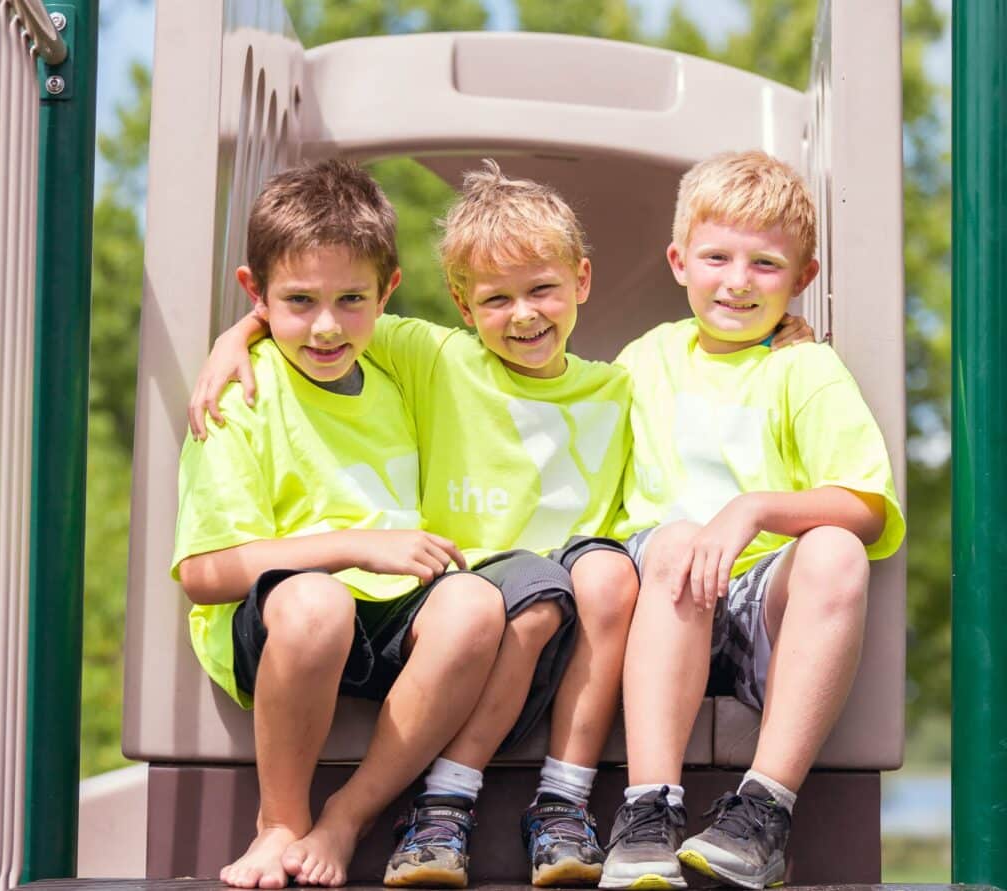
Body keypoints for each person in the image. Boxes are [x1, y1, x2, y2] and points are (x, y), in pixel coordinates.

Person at [191, 160, 814, 888]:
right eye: (497, 299)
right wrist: (238, 335)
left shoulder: (623, 383)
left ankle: (563, 798)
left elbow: (707, 360)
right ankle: (435, 804)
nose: (524, 314)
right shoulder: (433, 356)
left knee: (596, 574)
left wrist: (782, 336)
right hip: (471, 593)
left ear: (581, 282)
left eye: (543, 290)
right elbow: (328, 307)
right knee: (504, 595)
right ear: (462, 303)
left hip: (565, 609)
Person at [173, 160, 571, 890]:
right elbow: (202, 576)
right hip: (286, 624)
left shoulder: (396, 367)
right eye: (299, 302)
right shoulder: (241, 397)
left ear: (386, 293)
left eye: (350, 299)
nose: (326, 326)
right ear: (256, 294)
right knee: (318, 600)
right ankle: (280, 822)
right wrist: (356, 546)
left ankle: (348, 816)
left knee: (476, 600)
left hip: (388, 616)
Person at [599, 150, 905, 891]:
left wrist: (755, 507)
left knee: (834, 548)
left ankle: (761, 811)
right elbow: (514, 375)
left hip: (757, 608)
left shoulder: (804, 369)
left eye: (766, 264)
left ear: (802, 278)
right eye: (717, 256)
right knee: (673, 541)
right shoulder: (643, 362)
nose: (737, 281)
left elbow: (866, 504)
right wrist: (261, 334)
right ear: (679, 261)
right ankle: (648, 810)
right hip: (659, 611)